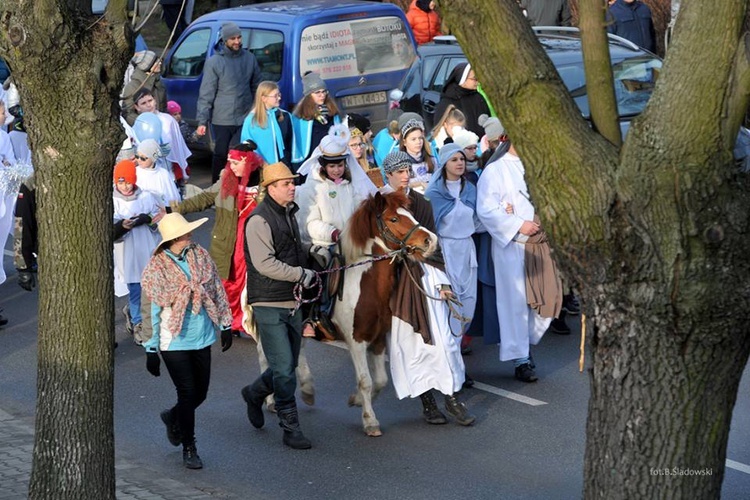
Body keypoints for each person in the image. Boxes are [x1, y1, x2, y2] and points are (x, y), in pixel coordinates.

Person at [380, 151, 475, 426]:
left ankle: (453, 400)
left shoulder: (421, 202)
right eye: (399, 172)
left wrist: (444, 283)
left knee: (445, 341)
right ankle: (428, 403)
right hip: (398, 285)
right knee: (412, 345)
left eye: (407, 170)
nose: (405, 175)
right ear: (388, 175)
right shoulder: (380, 206)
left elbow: (433, 245)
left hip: (428, 278)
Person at [141, 212, 234, 470]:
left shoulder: (200, 255)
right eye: (184, 234)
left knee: (200, 393)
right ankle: (189, 446)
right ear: (172, 239)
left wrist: (226, 324)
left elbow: (215, 288)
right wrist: (150, 348)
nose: (189, 236)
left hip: (202, 334)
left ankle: (173, 416)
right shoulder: (156, 267)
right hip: (174, 340)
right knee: (188, 392)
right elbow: (152, 310)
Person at [240, 162, 321, 450]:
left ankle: (253, 392)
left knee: (284, 364)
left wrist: (311, 251)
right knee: (286, 369)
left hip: (293, 300)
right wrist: (302, 274)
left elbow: (290, 249)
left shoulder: (289, 214)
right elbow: (265, 264)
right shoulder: (258, 220)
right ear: (270, 188)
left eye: (292, 182)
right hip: (268, 301)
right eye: (286, 183)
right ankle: (290, 427)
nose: (292, 186)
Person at [476, 127, 564, 383]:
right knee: (515, 302)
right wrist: (517, 224)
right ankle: (521, 358)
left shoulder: (538, 166)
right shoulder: (496, 170)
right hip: (513, 244)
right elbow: (486, 209)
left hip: (541, 243)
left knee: (548, 298)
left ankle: (527, 342)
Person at [169, 143, 264, 336]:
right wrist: (174, 209)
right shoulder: (226, 181)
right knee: (229, 282)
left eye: (236, 163)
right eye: (230, 162)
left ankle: (251, 322)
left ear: (247, 162)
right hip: (229, 240)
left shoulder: (265, 183)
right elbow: (203, 198)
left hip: (256, 240)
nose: (231, 166)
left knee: (253, 283)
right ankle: (230, 322)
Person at [196, 22, 263, 182]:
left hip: (245, 116)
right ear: (224, 40)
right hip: (222, 119)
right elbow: (206, 93)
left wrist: (257, 110)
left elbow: (257, 86)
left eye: (239, 37)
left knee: (245, 154)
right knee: (220, 154)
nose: (237, 41)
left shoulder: (249, 58)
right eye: (233, 38)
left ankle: (245, 188)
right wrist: (202, 121)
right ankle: (217, 189)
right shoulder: (215, 62)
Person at [425, 144, 479, 343]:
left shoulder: (471, 190)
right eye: (454, 159)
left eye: (462, 159)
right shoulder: (434, 193)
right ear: (445, 163)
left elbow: (478, 220)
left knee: (469, 302)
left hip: (466, 250)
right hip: (447, 250)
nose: (459, 163)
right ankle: (453, 355)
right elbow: (430, 230)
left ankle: (457, 346)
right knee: (451, 303)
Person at [112, 159, 163, 344]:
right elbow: (109, 228)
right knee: (134, 286)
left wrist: (147, 219)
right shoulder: (113, 200)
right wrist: (121, 226)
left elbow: (157, 218)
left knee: (149, 286)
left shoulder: (146, 197)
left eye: (128, 182)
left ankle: (148, 318)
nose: (125, 186)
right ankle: (137, 322)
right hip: (127, 251)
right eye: (121, 182)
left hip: (146, 247)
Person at [132, 90, 192, 191]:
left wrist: (182, 171)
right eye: (143, 103)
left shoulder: (168, 120)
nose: (148, 105)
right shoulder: (137, 126)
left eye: (150, 100)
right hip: (150, 174)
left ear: (155, 100)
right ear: (137, 107)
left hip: (170, 172)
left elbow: (178, 147)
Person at [291, 72, 342, 169]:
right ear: (309, 95)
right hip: (311, 160)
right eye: (317, 92)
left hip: (330, 158)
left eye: (324, 91)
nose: (322, 95)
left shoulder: (332, 112)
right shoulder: (301, 116)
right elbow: (298, 143)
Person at [240, 81, 293, 167]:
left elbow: (289, 142)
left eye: (279, 95)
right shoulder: (251, 120)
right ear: (264, 98)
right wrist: (262, 164)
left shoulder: (284, 116)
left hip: (283, 165)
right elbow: (247, 146)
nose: (279, 98)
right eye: (275, 96)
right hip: (262, 167)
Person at [433, 63, 492, 139]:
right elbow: (440, 131)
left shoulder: (478, 97)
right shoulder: (447, 101)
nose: (478, 82)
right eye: (474, 79)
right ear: (462, 79)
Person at [121, 51, 167, 127]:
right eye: (156, 62)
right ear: (148, 66)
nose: (160, 64)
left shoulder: (159, 83)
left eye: (159, 61)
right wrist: (144, 122)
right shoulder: (132, 87)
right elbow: (127, 113)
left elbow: (164, 107)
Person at [134, 138, 182, 207]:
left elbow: (172, 197)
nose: (139, 160)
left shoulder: (163, 174)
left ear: (153, 158)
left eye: (143, 158)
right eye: (137, 156)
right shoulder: (134, 172)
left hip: (161, 212)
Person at [398, 114, 437, 193]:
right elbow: (398, 187)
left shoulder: (432, 160)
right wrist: (419, 184)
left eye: (420, 138)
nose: (418, 142)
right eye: (413, 139)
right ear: (404, 142)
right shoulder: (400, 164)